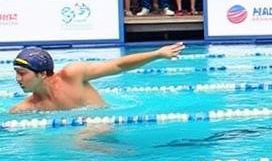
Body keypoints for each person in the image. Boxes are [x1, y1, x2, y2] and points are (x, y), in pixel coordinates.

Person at [10, 42, 185, 113]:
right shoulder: (24, 109)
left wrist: (157, 54)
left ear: (42, 74)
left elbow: (118, 65)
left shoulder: (72, 75)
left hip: (104, 124)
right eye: (16, 73)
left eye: (22, 73)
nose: (18, 78)